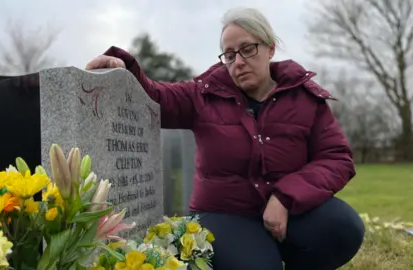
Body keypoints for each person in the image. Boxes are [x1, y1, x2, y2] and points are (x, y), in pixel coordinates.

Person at [86, 7, 365, 270]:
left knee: (343, 228)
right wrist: (126, 68)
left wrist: (285, 198)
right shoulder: (202, 94)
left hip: (288, 210)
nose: (238, 62)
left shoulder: (304, 98)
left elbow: (336, 158)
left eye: (247, 49)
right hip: (224, 213)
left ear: (270, 48)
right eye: (229, 55)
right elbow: (156, 97)